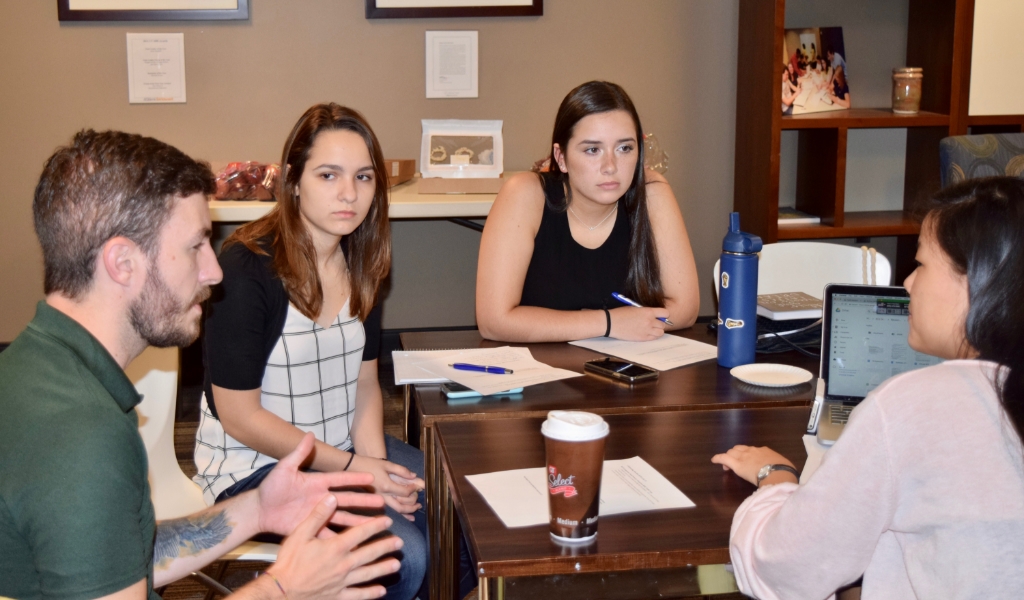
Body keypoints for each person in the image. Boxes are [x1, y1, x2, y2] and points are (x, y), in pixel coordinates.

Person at [0, 129, 403, 600]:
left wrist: (256, 509)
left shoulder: (35, 368)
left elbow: (119, 557)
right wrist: (284, 588)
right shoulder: (84, 436)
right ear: (122, 263)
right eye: (196, 246)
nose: (213, 271)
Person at [711, 176, 1024, 599]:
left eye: (922, 265)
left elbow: (782, 571)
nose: (908, 284)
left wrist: (777, 479)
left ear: (975, 282)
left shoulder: (911, 406)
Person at [193, 103, 447, 600]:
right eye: (328, 175)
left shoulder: (362, 262)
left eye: (363, 177)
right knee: (403, 555)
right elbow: (240, 417)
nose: (349, 194)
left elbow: (366, 382)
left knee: (456, 504)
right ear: (293, 179)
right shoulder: (245, 269)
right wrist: (356, 473)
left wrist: (373, 466)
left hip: (339, 451)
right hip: (255, 466)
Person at [476, 81, 699, 342]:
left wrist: (609, 324)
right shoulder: (525, 194)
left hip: (627, 370)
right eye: (593, 150)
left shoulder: (653, 192)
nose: (610, 166)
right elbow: (493, 321)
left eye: (624, 148)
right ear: (561, 157)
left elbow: (685, 310)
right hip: (540, 371)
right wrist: (609, 323)